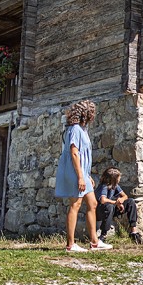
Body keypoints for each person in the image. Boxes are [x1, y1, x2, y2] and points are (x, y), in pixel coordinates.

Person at [54, 100, 112, 252]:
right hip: (75, 172)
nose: (93, 114)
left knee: (92, 203)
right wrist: (80, 176)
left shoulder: (83, 129)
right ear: (86, 114)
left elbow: (84, 155)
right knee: (75, 204)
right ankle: (70, 244)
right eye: (92, 111)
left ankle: (94, 242)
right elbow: (74, 153)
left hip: (82, 172)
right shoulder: (74, 129)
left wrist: (87, 175)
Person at [95, 167, 143, 244]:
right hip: (100, 211)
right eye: (119, 177)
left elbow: (125, 196)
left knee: (130, 202)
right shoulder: (104, 186)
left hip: (111, 209)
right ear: (113, 179)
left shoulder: (115, 186)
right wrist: (115, 203)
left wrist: (121, 200)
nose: (120, 179)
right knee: (109, 206)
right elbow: (103, 200)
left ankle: (133, 231)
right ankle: (103, 235)